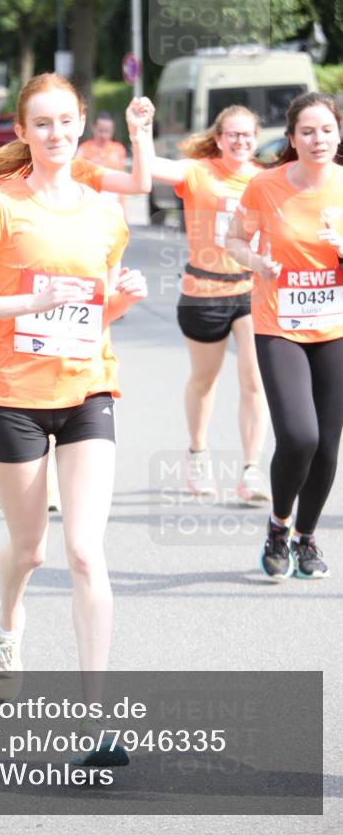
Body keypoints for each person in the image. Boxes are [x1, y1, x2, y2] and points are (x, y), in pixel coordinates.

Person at [0, 74, 147, 730]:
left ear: (81, 122)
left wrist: (122, 299)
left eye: (66, 121)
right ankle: (7, 620)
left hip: (88, 386)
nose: (56, 134)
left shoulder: (103, 212)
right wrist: (29, 301)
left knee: (85, 551)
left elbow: (93, 306)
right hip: (12, 397)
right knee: (30, 550)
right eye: (42, 124)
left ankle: (98, 717)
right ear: (22, 132)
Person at [101, 102, 271, 502]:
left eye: (248, 134)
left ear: (255, 138)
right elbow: (148, 170)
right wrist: (139, 132)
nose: (241, 141)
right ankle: (198, 455)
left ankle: (251, 470)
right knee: (205, 380)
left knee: (254, 380)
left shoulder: (265, 179)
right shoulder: (198, 173)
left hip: (251, 289)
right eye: (233, 134)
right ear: (218, 138)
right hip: (203, 293)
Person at [226, 92, 343, 579]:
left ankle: (306, 538)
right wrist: (255, 261)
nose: (318, 140)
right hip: (279, 325)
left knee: (328, 447)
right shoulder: (265, 186)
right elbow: (233, 239)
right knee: (299, 435)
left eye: (327, 130)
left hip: (335, 328)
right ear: (292, 139)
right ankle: (278, 523)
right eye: (307, 131)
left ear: (339, 135)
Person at [77, 111, 128, 206]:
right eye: (101, 131)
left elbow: (123, 177)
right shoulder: (83, 149)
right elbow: (76, 177)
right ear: (93, 128)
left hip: (115, 204)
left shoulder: (119, 149)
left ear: (113, 130)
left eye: (107, 131)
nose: (104, 135)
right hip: (91, 203)